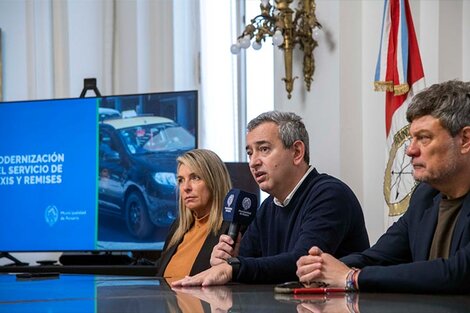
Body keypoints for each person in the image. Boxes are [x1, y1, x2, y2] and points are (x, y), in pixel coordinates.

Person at [296, 80, 470, 293]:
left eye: (424, 138)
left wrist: (352, 277)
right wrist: (323, 268)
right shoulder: (424, 196)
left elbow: (458, 273)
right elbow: (378, 256)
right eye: (411, 139)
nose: (410, 151)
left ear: (465, 140)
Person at [172, 111, 369, 286]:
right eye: (250, 153)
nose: (254, 162)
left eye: (264, 149)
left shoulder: (330, 195)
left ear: (297, 152)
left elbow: (301, 263)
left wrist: (235, 266)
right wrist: (228, 258)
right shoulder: (268, 206)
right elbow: (243, 263)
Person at [155, 149, 232, 278]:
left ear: (214, 181)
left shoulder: (232, 229)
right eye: (181, 180)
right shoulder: (177, 228)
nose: (186, 187)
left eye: (195, 178)